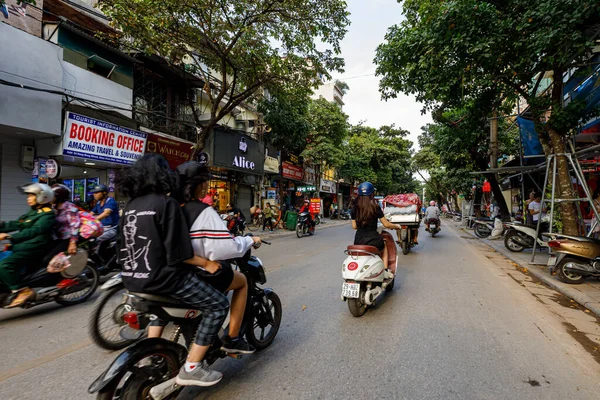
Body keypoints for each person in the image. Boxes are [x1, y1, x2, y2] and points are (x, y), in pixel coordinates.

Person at [115, 154, 230, 387]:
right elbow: (180, 254)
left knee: (161, 311)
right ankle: (192, 367)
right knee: (218, 305)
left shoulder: (131, 206)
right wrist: (207, 263)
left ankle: (155, 357)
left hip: (132, 280)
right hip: (165, 279)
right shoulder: (166, 204)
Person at [175, 161, 260, 354]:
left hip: (174, 272)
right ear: (198, 185)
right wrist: (249, 241)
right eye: (205, 182)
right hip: (197, 271)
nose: (207, 186)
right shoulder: (203, 212)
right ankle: (233, 338)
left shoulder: (173, 207)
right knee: (242, 281)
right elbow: (226, 247)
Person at [0, 183, 56, 307]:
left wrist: (9, 236)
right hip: (22, 246)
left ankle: (22, 290)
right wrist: (2, 227)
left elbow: (34, 231)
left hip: (35, 248)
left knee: (4, 265)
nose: (28, 198)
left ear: (43, 197)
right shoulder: (33, 212)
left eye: (31, 196)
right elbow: (17, 223)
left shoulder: (47, 215)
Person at [351, 182, 401, 270]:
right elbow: (386, 224)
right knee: (384, 245)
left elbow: (354, 226)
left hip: (358, 241)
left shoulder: (355, 207)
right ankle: (385, 269)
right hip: (374, 240)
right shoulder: (375, 206)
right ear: (372, 194)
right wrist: (396, 226)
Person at [45, 184, 81, 262]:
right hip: (57, 238)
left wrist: (72, 243)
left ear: (59, 197)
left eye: (52, 196)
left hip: (67, 238)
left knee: (49, 259)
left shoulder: (70, 208)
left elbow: (75, 225)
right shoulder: (54, 207)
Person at [90, 184, 119, 252]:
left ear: (104, 193)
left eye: (97, 192)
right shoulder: (98, 203)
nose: (94, 194)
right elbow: (91, 214)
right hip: (102, 228)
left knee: (96, 239)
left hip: (112, 229)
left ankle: (96, 258)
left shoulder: (110, 201)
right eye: (94, 193)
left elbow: (106, 213)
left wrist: (93, 220)